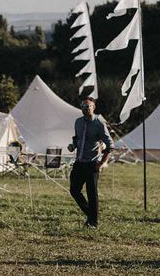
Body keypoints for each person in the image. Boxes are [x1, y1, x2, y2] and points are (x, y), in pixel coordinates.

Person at [67, 96, 112, 228]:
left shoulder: (99, 124)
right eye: (83, 107)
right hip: (79, 161)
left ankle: (93, 222)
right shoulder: (78, 122)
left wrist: (102, 163)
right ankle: (91, 215)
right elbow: (77, 138)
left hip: (92, 163)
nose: (85, 109)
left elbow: (110, 145)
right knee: (74, 190)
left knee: (92, 193)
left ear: (94, 107)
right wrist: (73, 145)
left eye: (88, 106)